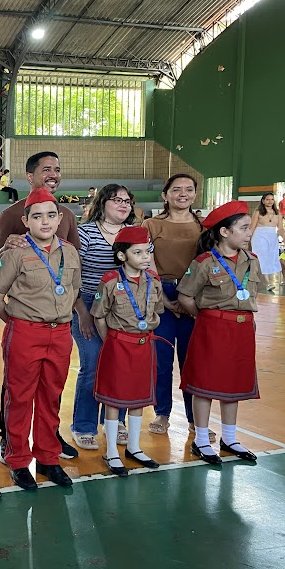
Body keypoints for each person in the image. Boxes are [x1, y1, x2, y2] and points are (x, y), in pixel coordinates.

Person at [0, 152, 81, 462]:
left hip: (59, 329)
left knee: (51, 395)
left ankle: (47, 453)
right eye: (46, 169)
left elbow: (73, 280)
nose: (53, 173)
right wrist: (15, 320)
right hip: (26, 328)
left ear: (58, 218)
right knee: (18, 394)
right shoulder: (11, 217)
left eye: (58, 168)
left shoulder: (68, 222)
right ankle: (14, 450)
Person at [177, 201, 261, 464]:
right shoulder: (204, 262)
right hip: (212, 327)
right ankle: (201, 440)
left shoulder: (252, 260)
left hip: (243, 327)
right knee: (204, 384)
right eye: (244, 228)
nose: (249, 233)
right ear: (225, 232)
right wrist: (204, 316)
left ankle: (230, 438)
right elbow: (185, 295)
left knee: (233, 383)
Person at [91, 226, 164, 476]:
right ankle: (112, 451)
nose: (145, 257)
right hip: (118, 345)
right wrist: (111, 341)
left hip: (144, 345)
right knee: (113, 399)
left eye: (148, 251)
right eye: (138, 252)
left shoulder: (154, 281)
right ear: (122, 256)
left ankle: (133, 447)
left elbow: (158, 311)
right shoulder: (110, 281)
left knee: (139, 397)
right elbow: (99, 316)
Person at [70, 185, 134, 451]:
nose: (123, 204)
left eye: (127, 200)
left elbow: (147, 268)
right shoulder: (85, 233)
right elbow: (72, 277)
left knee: (121, 366)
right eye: (116, 199)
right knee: (93, 364)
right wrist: (82, 313)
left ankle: (116, 421)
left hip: (124, 307)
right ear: (102, 203)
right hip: (87, 304)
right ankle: (83, 426)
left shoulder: (135, 235)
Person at [142, 174, 204, 438]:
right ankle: (162, 413)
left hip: (196, 295)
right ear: (165, 195)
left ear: (194, 194)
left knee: (193, 360)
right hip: (161, 292)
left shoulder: (204, 226)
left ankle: (195, 419)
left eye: (188, 189)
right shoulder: (151, 224)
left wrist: (189, 297)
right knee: (161, 359)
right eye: (176, 189)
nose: (183, 193)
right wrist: (164, 298)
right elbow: (146, 260)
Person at [249, 192, 284, 290]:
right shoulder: (258, 212)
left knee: (271, 258)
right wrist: (246, 239)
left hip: (272, 236)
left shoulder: (278, 213)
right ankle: (268, 283)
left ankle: (262, 280)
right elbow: (252, 227)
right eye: (267, 199)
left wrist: (284, 237)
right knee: (261, 257)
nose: (270, 201)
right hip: (259, 236)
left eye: (272, 199)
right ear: (263, 201)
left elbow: (280, 228)